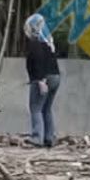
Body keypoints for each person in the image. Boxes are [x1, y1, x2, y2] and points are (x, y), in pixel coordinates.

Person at [24, 13, 60, 147]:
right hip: (56, 78)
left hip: (44, 78)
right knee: (47, 108)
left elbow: (38, 61)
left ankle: (37, 137)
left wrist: (40, 80)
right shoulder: (49, 43)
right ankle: (49, 137)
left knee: (36, 108)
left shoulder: (36, 43)